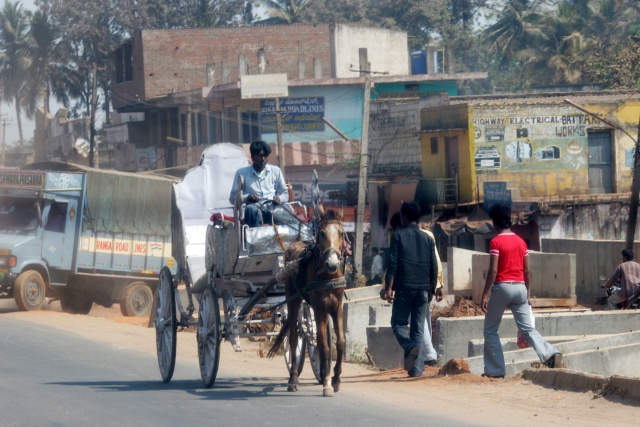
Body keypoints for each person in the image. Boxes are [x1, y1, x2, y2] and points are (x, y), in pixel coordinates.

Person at [481, 204, 562, 378]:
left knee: (490, 329)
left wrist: (485, 294)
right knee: (527, 329)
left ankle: (495, 371)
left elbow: (493, 271)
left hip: (502, 287)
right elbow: (527, 271)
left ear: (495, 222)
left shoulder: (496, 242)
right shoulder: (521, 242)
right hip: (520, 288)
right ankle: (550, 354)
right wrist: (528, 292)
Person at [380, 201, 437, 377]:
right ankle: (416, 369)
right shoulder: (428, 238)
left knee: (398, 324)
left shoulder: (398, 236)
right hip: (422, 290)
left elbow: (393, 262)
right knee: (418, 330)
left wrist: (388, 287)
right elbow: (433, 265)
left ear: (403, 217)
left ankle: (409, 346)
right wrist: (432, 289)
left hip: (405, 288)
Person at [229, 140, 289, 228]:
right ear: (252, 157)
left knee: (290, 221)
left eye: (266, 156)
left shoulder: (276, 171)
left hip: (273, 209)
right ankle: (255, 239)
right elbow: (232, 198)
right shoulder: (241, 173)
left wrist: (279, 199)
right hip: (255, 209)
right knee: (251, 209)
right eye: (260, 155)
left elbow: (285, 194)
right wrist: (248, 197)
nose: (263, 159)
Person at [419, 222, 444, 367]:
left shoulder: (402, 235)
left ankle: (428, 355)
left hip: (414, 284)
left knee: (417, 318)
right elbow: (436, 263)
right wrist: (438, 285)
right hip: (427, 284)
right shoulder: (429, 235)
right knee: (424, 316)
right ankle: (426, 354)